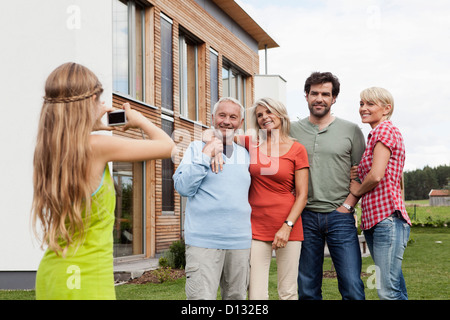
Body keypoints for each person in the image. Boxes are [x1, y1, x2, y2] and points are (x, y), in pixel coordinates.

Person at [32, 62, 175, 300]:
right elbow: (168, 147)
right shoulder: (97, 146)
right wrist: (138, 119)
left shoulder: (48, 149)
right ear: (86, 104)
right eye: (99, 100)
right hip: (86, 279)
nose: (105, 106)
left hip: (53, 276)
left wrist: (91, 125)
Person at [290, 71, 366, 300]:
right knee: (307, 287)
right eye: (314, 93)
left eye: (325, 94)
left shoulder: (351, 130)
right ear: (306, 96)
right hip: (305, 216)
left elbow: (361, 172)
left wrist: (348, 206)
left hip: (339, 216)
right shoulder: (291, 131)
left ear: (334, 98)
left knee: (352, 285)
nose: (319, 98)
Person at [173, 97, 252, 300]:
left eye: (233, 117)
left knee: (236, 299)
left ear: (240, 123)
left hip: (240, 242)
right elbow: (182, 187)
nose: (226, 121)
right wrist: (206, 153)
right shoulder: (195, 148)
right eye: (222, 115)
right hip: (203, 242)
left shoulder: (246, 154)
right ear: (212, 118)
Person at [244, 98, 309, 300]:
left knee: (288, 292)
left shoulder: (297, 149)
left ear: (280, 114)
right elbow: (219, 136)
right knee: (255, 294)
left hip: (288, 226)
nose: (265, 117)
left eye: (269, 112)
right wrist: (214, 149)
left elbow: (302, 195)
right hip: (255, 226)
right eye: (260, 115)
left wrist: (287, 226)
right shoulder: (250, 144)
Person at [349, 87, 411, 300]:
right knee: (395, 288)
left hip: (387, 219)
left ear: (386, 109)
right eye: (361, 103)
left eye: (370, 104)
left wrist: (357, 189)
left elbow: (376, 176)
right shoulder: (376, 134)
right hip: (377, 220)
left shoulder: (384, 131)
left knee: (387, 292)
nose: (363, 108)